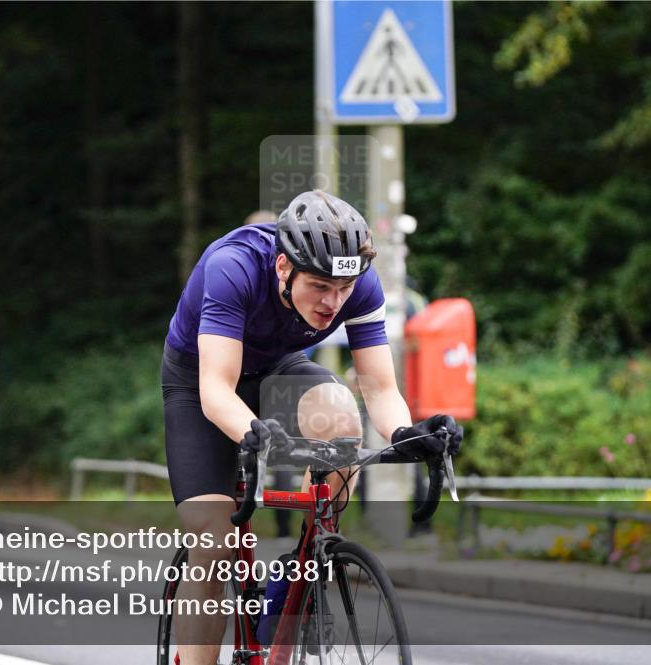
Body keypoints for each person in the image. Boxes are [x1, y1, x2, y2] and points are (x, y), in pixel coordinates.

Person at [161, 190, 461, 664]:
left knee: (343, 418)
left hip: (279, 367)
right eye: (320, 286)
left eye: (342, 289)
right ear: (284, 268)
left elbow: (380, 388)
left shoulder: (358, 285)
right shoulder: (232, 267)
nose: (333, 302)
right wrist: (252, 431)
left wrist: (405, 433)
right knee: (213, 540)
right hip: (202, 379)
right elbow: (217, 390)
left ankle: (302, 567)